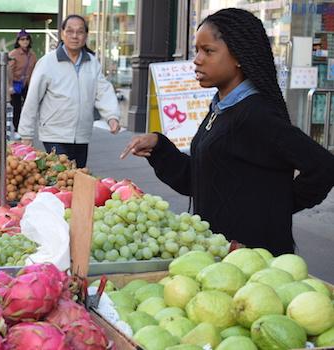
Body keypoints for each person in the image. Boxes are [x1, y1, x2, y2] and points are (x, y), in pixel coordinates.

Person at [120, 8, 334, 255]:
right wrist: (160, 148)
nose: (197, 59)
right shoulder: (220, 109)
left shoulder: (256, 115)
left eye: (208, 51)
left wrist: (276, 208)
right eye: (197, 50)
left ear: (238, 56)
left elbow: (323, 166)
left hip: (255, 263)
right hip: (218, 253)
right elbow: (200, 180)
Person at [18, 15, 120, 168]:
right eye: (70, 31)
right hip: (54, 133)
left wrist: (112, 117)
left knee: (78, 179)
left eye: (80, 32)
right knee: (63, 178)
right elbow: (33, 98)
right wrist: (26, 134)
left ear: (86, 35)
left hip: (82, 135)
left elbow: (103, 91)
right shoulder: (47, 63)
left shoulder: (92, 63)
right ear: (62, 34)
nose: (74, 36)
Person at [9, 29, 37, 132]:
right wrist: (10, 86)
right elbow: (9, 71)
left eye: (27, 39)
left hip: (28, 84)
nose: (25, 41)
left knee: (29, 107)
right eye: (22, 39)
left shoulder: (32, 55)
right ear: (18, 41)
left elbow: (35, 70)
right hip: (15, 84)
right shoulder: (13, 54)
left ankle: (26, 127)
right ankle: (17, 128)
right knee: (17, 107)